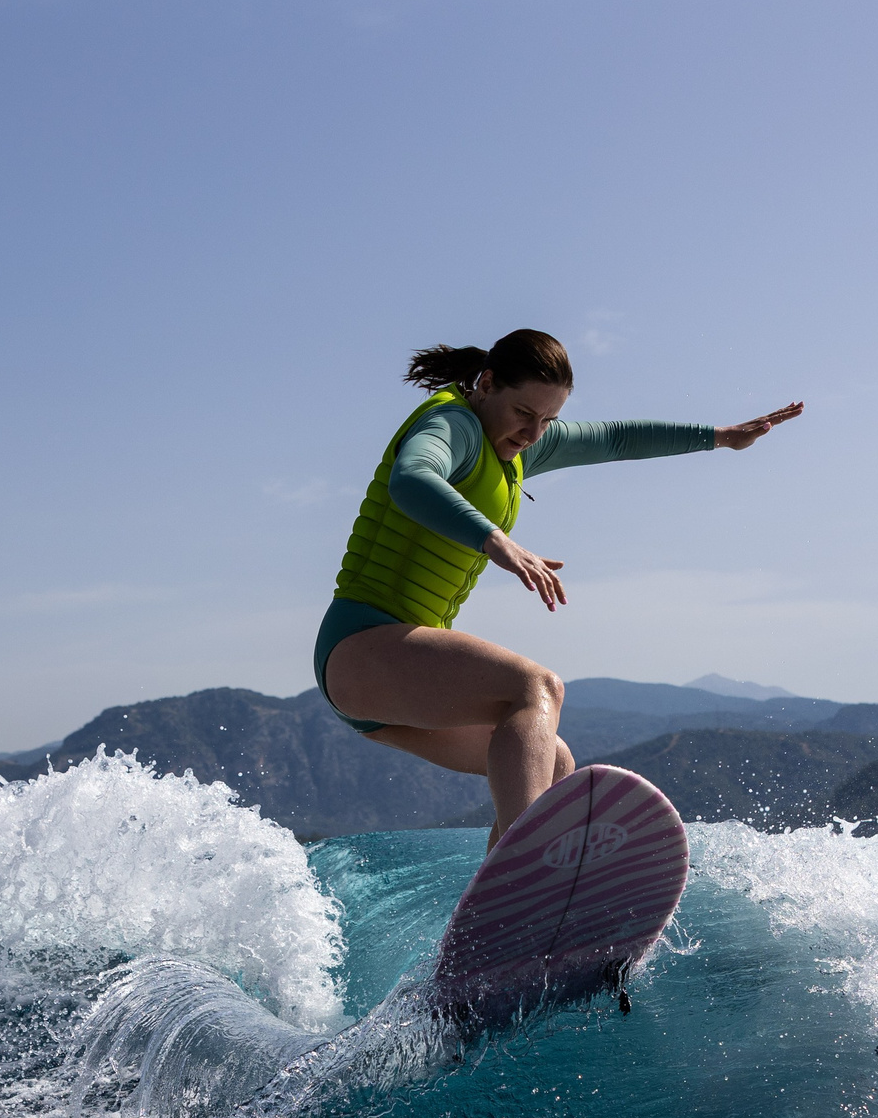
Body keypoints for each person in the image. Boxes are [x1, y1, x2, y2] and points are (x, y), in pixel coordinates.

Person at [315, 328, 802, 846]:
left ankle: (497, 913)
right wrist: (495, 540)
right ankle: (527, 863)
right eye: (524, 413)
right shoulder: (452, 422)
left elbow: (616, 439)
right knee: (537, 687)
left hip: (397, 671)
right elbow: (412, 477)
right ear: (486, 383)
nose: (532, 432)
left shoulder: (515, 449)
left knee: (552, 763)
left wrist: (722, 437)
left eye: (547, 419)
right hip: (361, 645)